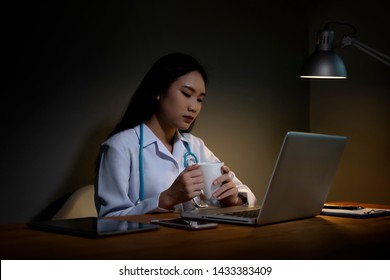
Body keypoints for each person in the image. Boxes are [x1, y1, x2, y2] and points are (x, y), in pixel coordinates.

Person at [94, 53, 256, 216]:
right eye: (186, 94)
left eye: (200, 99)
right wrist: (167, 198)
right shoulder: (119, 147)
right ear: (158, 91)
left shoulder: (194, 145)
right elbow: (108, 219)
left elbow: (246, 194)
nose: (194, 107)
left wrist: (233, 199)